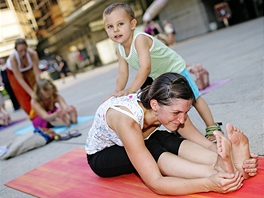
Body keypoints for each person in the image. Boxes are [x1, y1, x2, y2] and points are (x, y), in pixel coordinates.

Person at [86, 72, 258, 196]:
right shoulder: (127, 122)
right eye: (176, 113)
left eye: (185, 112)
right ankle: (215, 171)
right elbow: (156, 183)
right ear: (154, 105)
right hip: (102, 155)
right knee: (150, 146)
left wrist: (235, 157)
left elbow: (204, 143)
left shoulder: (169, 106)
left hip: (138, 136)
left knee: (165, 137)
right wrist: (209, 184)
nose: (182, 119)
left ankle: (227, 167)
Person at [103, 3, 222, 142]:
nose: (115, 30)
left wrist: (131, 89)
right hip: (161, 76)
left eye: (120, 24)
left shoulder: (139, 39)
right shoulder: (120, 49)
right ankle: (183, 130)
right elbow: (122, 73)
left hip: (175, 68)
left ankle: (212, 127)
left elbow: (145, 67)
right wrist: (118, 92)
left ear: (133, 24)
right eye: (110, 26)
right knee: (170, 104)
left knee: (194, 98)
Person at [6, 38, 40, 115]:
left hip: (29, 70)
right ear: (16, 50)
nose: (23, 53)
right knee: (24, 95)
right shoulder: (13, 58)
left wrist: (38, 89)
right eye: (20, 51)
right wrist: (32, 94)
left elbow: (37, 73)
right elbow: (20, 80)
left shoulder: (33, 54)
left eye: (25, 50)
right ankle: (33, 114)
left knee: (38, 90)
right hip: (14, 73)